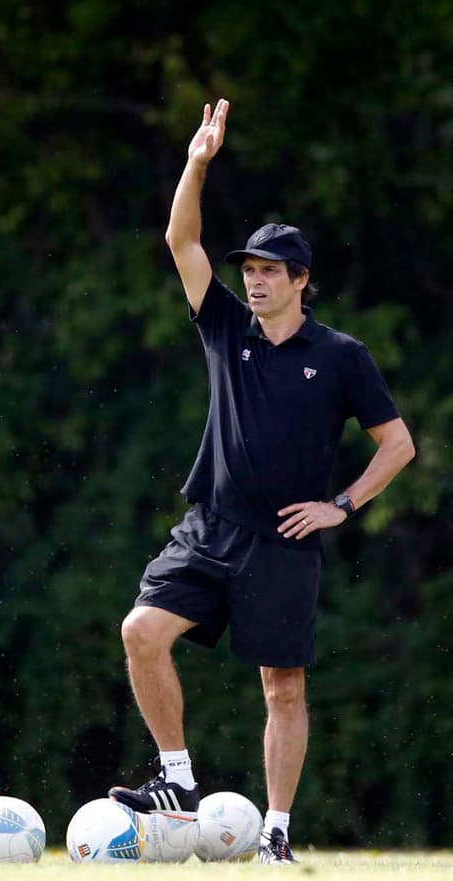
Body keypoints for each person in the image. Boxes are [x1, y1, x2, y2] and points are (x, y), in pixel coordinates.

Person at [107, 98, 415, 864]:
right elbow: (180, 237)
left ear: (301, 280)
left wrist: (342, 505)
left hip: (284, 538)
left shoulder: (341, 354)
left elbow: (399, 444)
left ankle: (276, 831)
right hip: (209, 524)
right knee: (141, 631)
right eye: (248, 269)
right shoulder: (224, 325)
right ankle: (177, 780)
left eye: (269, 271)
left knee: (282, 685)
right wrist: (198, 162)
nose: (254, 281)